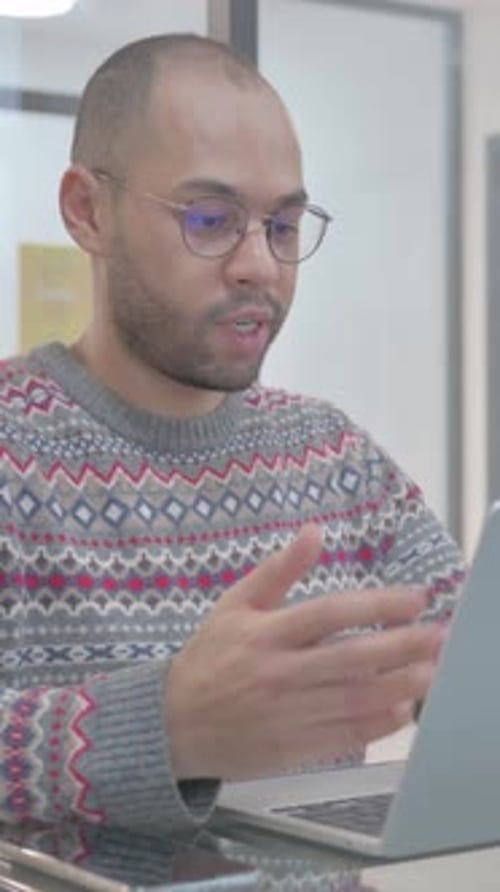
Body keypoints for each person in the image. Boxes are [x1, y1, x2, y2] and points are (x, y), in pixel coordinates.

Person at [0, 33, 464, 835]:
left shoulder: (332, 456)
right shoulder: (14, 451)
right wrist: (165, 729)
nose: (261, 266)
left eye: (283, 227)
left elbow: (461, 652)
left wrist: (459, 681)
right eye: (210, 219)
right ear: (87, 211)